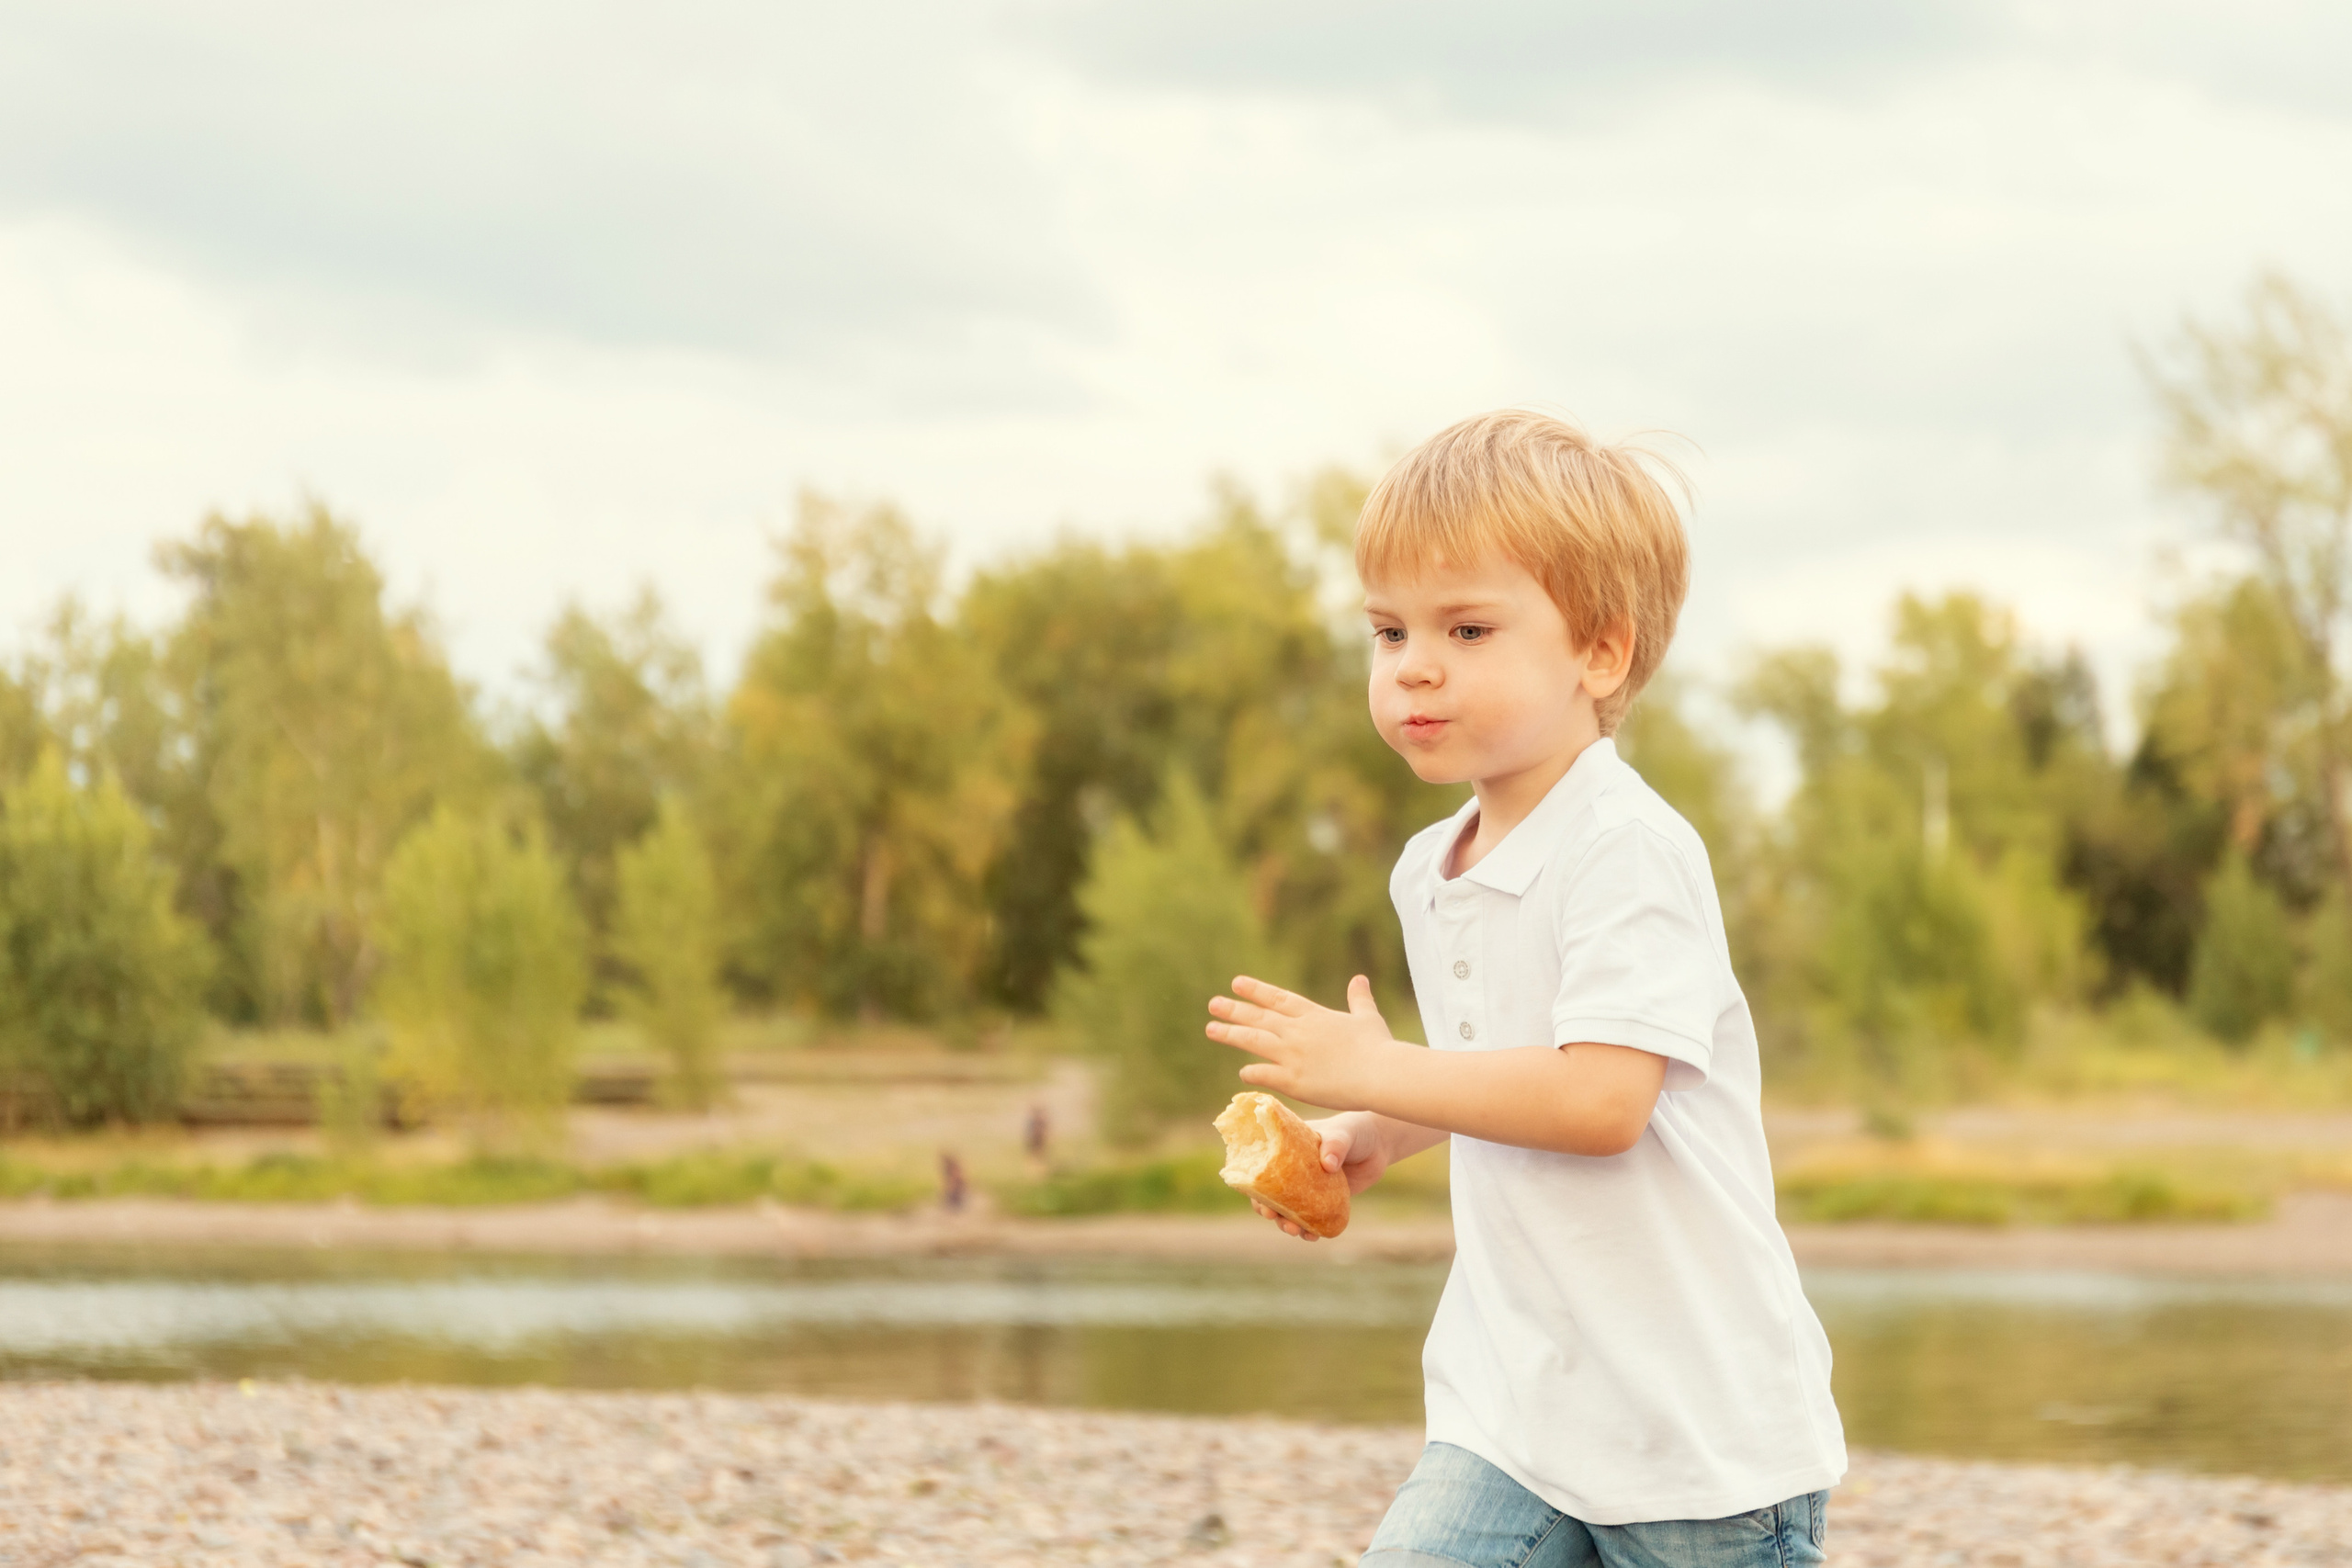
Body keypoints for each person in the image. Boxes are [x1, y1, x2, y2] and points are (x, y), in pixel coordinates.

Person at [1204, 411, 1842, 1568]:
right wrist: (1374, 1128)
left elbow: (1599, 1100)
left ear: (1598, 653)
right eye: (1389, 629)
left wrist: (1380, 1066)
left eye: (1468, 627)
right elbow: (1494, 1060)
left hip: (1695, 1431)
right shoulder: (1427, 870)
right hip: (1517, 1409)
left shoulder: (1625, 849)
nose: (1415, 665)